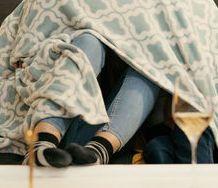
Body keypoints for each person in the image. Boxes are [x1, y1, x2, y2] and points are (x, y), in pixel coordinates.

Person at [15, 32, 160, 167]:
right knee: (89, 41)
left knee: (151, 65)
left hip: (107, 133)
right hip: (53, 119)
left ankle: (97, 152)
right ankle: (41, 144)